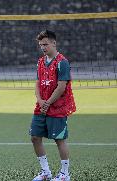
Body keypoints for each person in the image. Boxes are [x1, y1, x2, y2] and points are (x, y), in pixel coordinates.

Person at [30, 30, 76, 181]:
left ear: (54, 43)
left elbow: (61, 86)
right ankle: (45, 172)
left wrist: (48, 102)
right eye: (40, 45)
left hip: (58, 107)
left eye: (45, 44)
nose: (43, 47)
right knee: (35, 137)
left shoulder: (62, 62)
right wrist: (40, 100)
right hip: (42, 106)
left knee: (59, 139)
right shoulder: (40, 61)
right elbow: (37, 83)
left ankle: (64, 174)